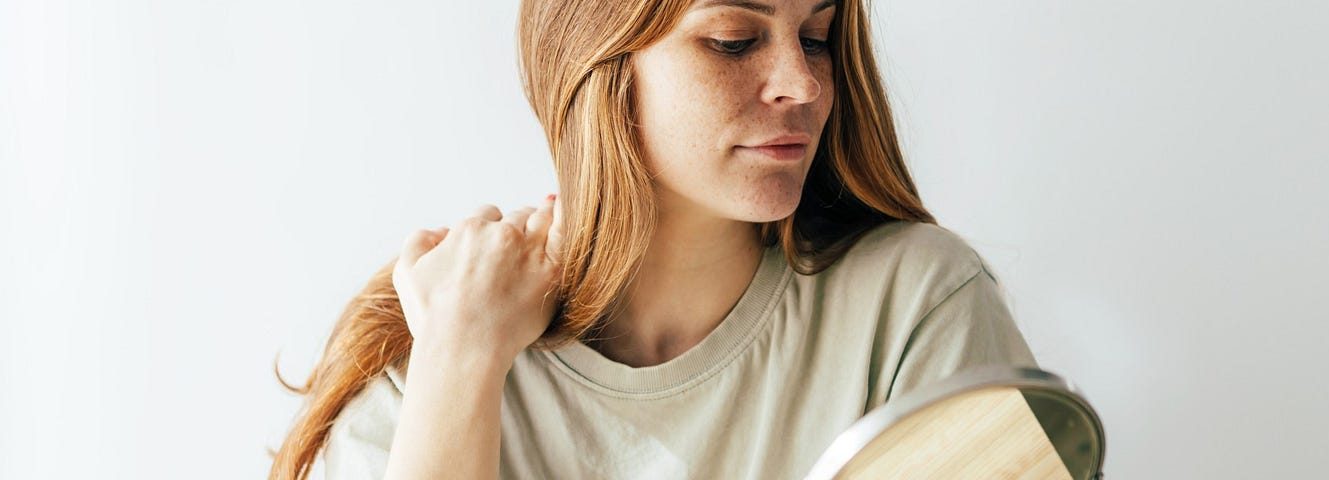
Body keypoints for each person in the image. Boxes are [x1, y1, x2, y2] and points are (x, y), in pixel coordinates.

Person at [269, 0, 1037, 478]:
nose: (800, 83)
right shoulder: (431, 345)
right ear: (598, 64)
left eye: (816, 34)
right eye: (735, 39)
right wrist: (461, 358)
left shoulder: (915, 306)